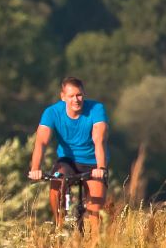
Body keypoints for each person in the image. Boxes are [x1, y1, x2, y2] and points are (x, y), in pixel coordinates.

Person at [30, 76, 109, 222]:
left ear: (84, 94)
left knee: (95, 215)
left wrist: (101, 168)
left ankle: (94, 242)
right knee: (57, 182)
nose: (76, 99)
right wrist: (35, 168)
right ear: (63, 97)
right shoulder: (52, 112)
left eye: (79, 95)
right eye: (71, 96)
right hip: (67, 161)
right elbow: (41, 142)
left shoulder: (96, 109)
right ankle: (59, 223)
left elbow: (99, 141)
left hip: (93, 162)